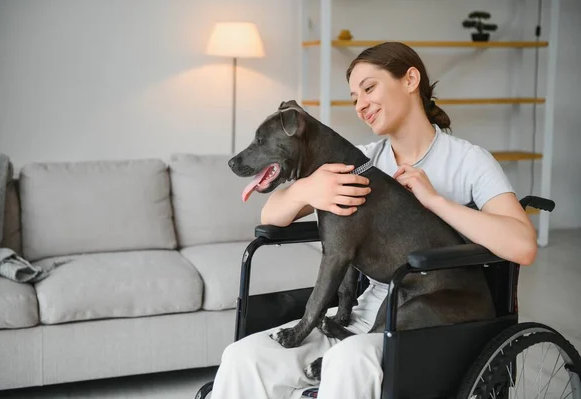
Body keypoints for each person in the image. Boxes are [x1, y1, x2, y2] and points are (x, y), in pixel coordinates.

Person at [210, 42, 538, 399]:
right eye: (354, 97)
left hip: (429, 315)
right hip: (363, 314)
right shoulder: (362, 160)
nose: (361, 104)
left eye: (369, 88)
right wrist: (308, 189)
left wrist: (436, 202)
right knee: (243, 357)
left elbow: (522, 246)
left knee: (347, 361)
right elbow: (270, 216)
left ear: (410, 79)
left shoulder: (469, 161)